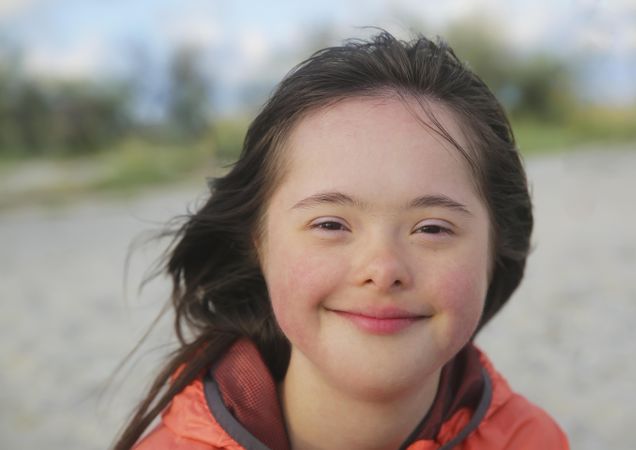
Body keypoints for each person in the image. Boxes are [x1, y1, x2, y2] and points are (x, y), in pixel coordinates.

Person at [114, 30, 570, 450]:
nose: (383, 269)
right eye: (331, 224)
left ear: (496, 250)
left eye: (432, 228)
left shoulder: (533, 441)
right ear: (257, 243)